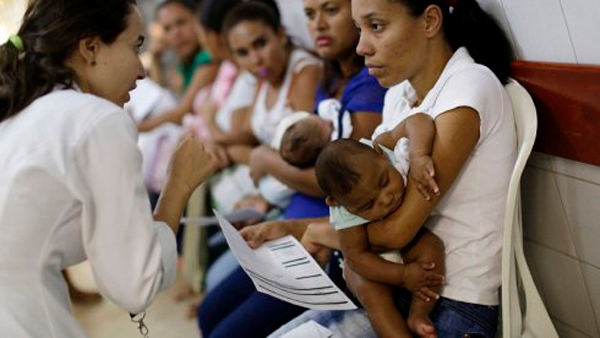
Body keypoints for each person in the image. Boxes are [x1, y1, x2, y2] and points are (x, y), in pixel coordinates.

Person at [265, 0, 517, 336]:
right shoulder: (398, 95)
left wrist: (312, 231)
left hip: (452, 303)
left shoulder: (468, 87)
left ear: (429, 21)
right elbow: (371, 206)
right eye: (359, 29)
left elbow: (398, 230)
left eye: (377, 26)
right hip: (396, 286)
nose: (361, 46)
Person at [0, 0, 216, 336]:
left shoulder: (24, 112)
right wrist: (179, 186)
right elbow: (134, 285)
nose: (141, 70)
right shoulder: (97, 120)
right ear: (90, 48)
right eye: (135, 46)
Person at [196, 0, 387, 336]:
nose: (318, 26)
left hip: (318, 241)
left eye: (331, 11)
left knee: (223, 332)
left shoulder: (367, 83)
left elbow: (342, 185)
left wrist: (264, 160)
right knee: (209, 311)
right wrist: (265, 198)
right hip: (289, 224)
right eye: (311, 15)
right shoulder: (329, 78)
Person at [315, 124, 445, 337]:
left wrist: (419, 154)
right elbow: (357, 257)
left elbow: (417, 121)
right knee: (374, 297)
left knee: (431, 247)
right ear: (335, 202)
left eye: (384, 182)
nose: (386, 199)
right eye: (368, 206)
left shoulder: (382, 144)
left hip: (409, 241)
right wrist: (402, 275)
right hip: (374, 261)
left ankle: (419, 314)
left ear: (379, 153)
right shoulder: (343, 208)